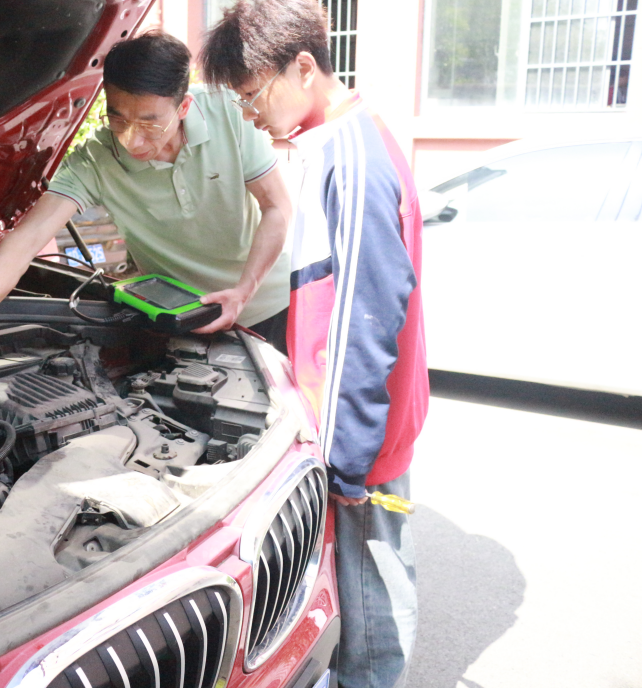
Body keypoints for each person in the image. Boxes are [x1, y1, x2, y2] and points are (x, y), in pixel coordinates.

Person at [201, 2, 429, 687]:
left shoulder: (351, 161)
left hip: (366, 433)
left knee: (373, 579)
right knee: (360, 570)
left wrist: (350, 461)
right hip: (359, 422)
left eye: (252, 95)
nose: (249, 115)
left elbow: (365, 320)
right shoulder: (340, 139)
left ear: (303, 67)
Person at [0, 32, 293, 403]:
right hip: (182, 323)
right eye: (118, 119)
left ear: (183, 108)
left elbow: (276, 207)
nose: (132, 141)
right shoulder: (95, 160)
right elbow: (26, 239)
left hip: (271, 308)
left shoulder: (230, 113)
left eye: (149, 123)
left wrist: (244, 292)